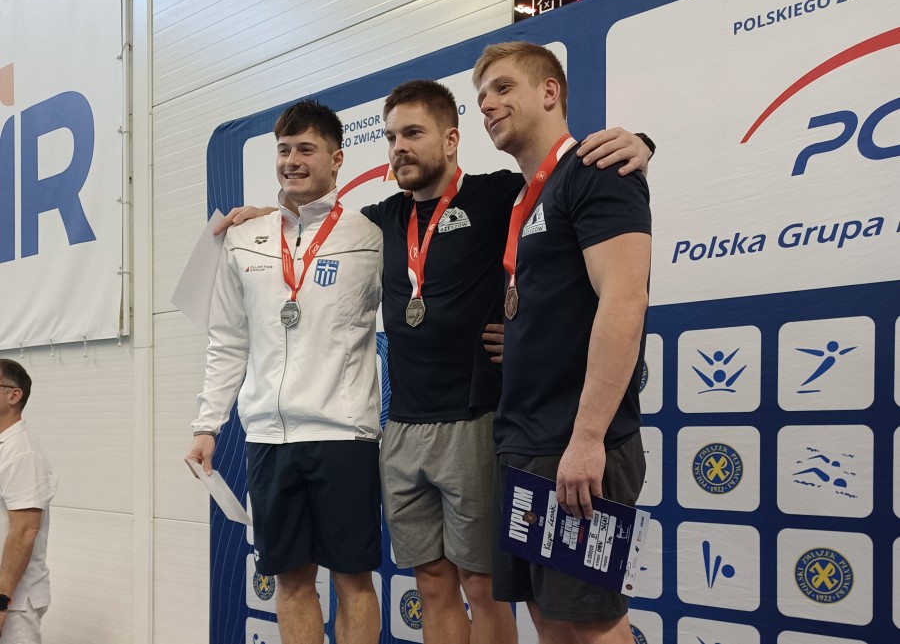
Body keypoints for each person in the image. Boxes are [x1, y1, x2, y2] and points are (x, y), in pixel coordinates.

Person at [219, 79, 651, 644]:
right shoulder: (378, 221)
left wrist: (640, 144)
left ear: (450, 139)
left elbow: (564, 183)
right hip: (402, 429)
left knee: (482, 584)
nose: (399, 147)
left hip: (474, 421)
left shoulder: (499, 194)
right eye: (392, 137)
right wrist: (268, 215)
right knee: (431, 583)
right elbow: (316, 228)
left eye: (413, 134)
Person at [185, 100, 383, 644]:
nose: (292, 161)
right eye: (284, 150)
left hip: (344, 435)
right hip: (269, 439)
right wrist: (207, 425)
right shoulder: (244, 238)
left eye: (306, 149)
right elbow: (229, 340)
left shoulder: (370, 236)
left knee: (353, 581)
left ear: (336, 159)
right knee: (291, 581)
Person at [474, 42, 651, 644]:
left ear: (549, 91)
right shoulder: (524, 199)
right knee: (548, 619)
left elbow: (625, 299)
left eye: (502, 88)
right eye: (481, 96)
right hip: (523, 440)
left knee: (594, 622)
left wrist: (588, 439)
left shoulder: (596, 169)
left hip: (576, 444)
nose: (487, 104)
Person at [0, 359, 58, 644]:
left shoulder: (23, 453)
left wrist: (2, 601)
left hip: (14, 603)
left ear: (14, 395)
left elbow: (25, 531)